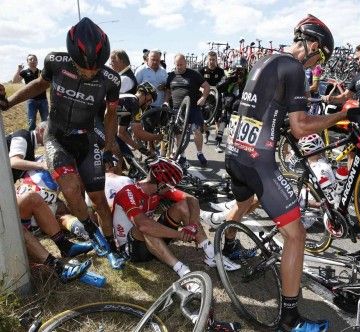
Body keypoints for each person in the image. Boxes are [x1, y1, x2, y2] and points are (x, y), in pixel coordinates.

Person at [223, 14, 348, 331]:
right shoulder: (294, 68)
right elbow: (301, 124)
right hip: (257, 162)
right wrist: (342, 115)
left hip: (234, 152)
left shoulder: (267, 59)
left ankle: (223, 251)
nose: (313, 66)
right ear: (314, 46)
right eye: (319, 58)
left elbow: (271, 107)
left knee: (244, 203)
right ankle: (290, 321)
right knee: (296, 234)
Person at [0, 17, 125, 269]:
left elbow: (111, 114)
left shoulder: (111, 80)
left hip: (88, 140)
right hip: (57, 137)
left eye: (95, 68)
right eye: (84, 68)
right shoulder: (55, 62)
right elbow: (39, 85)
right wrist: (9, 103)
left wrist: (110, 144)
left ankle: (111, 247)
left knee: (99, 199)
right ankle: (95, 236)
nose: (90, 72)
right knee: (69, 189)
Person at [109, 157, 241, 274]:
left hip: (151, 241)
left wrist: (193, 226)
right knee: (146, 227)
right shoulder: (128, 193)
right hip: (130, 248)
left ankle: (211, 253)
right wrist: (179, 234)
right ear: (161, 184)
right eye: (171, 185)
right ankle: (183, 271)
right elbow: (144, 226)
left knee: (183, 206)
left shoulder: (159, 189)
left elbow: (192, 199)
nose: (173, 188)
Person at [165, 54, 211, 167]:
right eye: (177, 65)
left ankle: (199, 153)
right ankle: (182, 155)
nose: (179, 67)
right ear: (174, 64)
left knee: (197, 130)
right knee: (178, 133)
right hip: (177, 108)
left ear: (186, 63)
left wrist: (203, 98)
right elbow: (167, 91)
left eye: (181, 64)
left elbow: (206, 86)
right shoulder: (171, 75)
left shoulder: (194, 74)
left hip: (193, 108)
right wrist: (166, 101)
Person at [213, 57, 248, 153]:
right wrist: (229, 79)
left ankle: (237, 145)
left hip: (243, 104)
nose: (240, 72)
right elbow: (218, 88)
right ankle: (218, 142)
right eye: (238, 70)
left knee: (240, 124)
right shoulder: (229, 76)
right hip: (229, 102)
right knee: (224, 120)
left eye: (242, 70)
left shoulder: (249, 77)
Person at [12, 54, 49, 131]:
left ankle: (45, 139)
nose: (32, 61)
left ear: (37, 62)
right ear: (27, 62)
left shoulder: (42, 72)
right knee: (31, 123)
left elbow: (49, 82)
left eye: (34, 59)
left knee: (46, 122)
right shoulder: (25, 72)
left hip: (43, 100)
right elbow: (15, 81)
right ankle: (31, 140)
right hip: (31, 101)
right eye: (30, 59)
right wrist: (19, 69)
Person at [199, 51, 225, 144]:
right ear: (207, 59)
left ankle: (218, 139)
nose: (211, 61)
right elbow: (198, 84)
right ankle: (206, 133)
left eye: (213, 60)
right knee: (204, 118)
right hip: (206, 97)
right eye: (210, 59)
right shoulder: (202, 70)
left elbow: (224, 83)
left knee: (218, 119)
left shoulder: (220, 71)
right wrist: (202, 90)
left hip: (217, 97)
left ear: (216, 60)